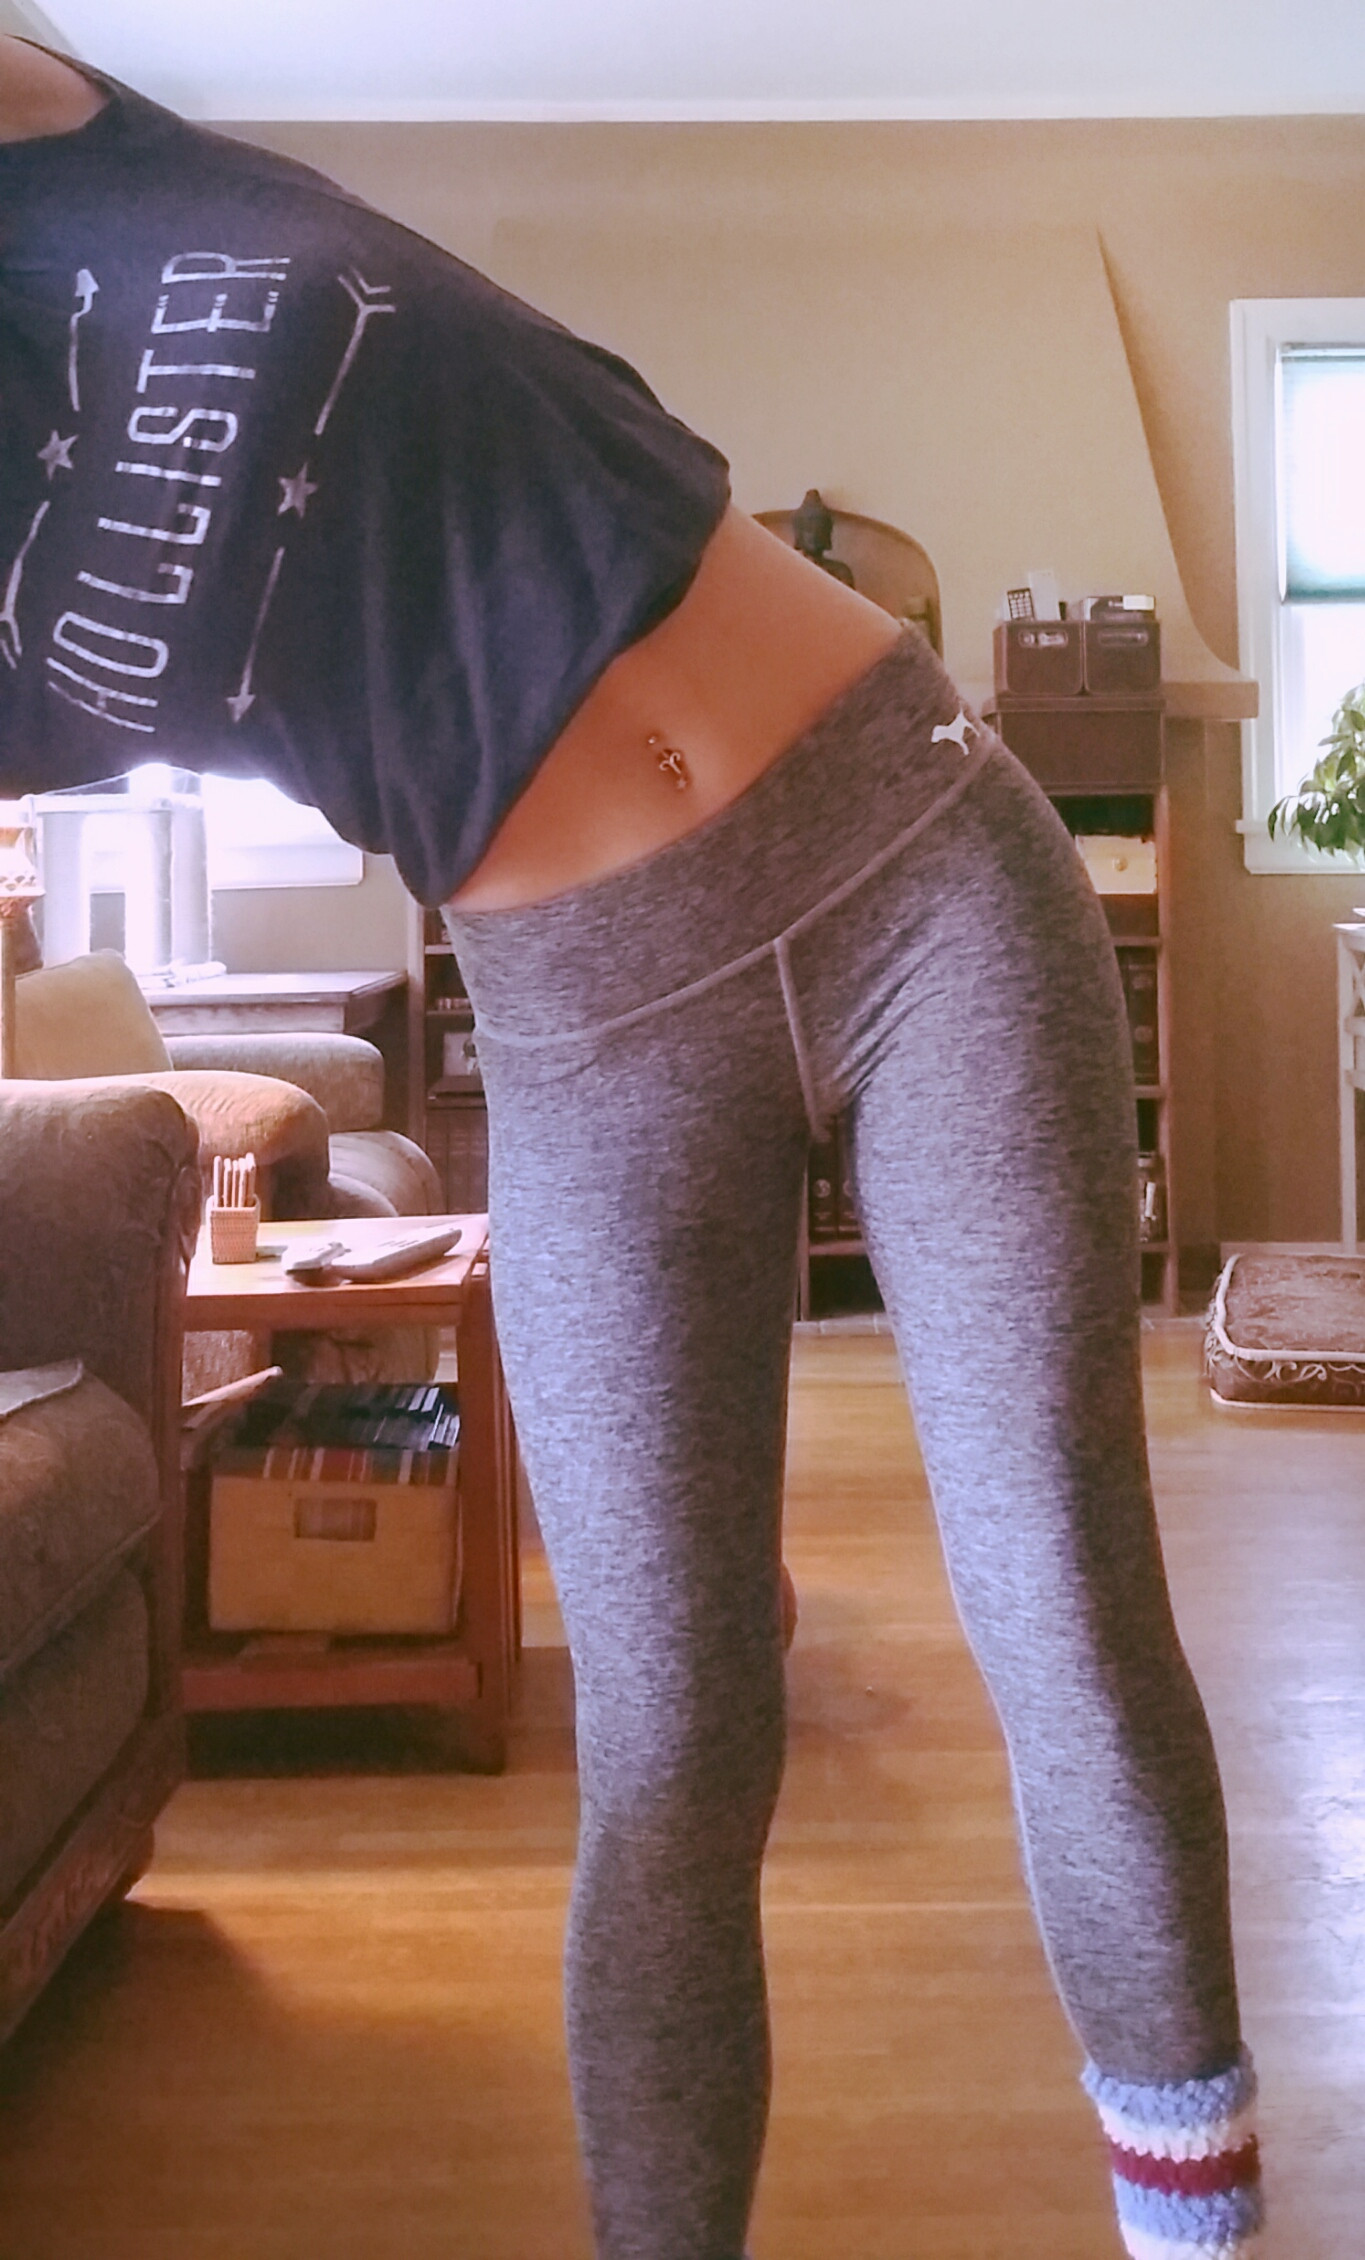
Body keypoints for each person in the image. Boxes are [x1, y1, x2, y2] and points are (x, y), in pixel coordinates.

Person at [0, 37, 1262, 2260]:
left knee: (1061, 1607)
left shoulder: (71, 150)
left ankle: (1196, 2218)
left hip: (920, 868)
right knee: (673, 1735)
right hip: (588, 1033)